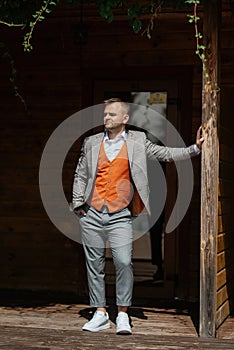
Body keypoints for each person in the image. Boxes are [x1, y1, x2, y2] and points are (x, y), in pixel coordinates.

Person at [72, 98, 204, 335]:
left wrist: (195, 148)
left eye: (112, 114)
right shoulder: (91, 142)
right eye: (105, 114)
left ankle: (122, 313)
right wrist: (78, 203)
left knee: (123, 262)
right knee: (94, 265)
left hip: (120, 213)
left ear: (125, 119)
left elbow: (164, 153)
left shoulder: (138, 141)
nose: (107, 118)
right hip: (91, 212)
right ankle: (100, 312)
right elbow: (81, 174)